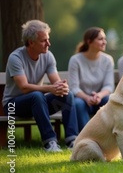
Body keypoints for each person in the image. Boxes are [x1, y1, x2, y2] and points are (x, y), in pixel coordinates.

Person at [2, 20, 78, 152]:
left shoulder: (48, 56)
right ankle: (50, 143)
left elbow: (56, 83)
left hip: (38, 104)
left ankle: (72, 140)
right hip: (13, 105)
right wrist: (50, 89)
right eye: (44, 41)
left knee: (67, 95)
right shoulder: (16, 58)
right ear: (31, 42)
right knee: (36, 96)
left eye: (48, 39)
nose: (48, 44)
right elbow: (24, 87)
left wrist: (62, 87)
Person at [68, 27, 115, 131]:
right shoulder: (75, 60)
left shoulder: (108, 60)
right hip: (82, 99)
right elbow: (74, 87)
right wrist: (87, 98)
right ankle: (87, 136)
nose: (104, 42)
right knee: (78, 103)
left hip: (100, 99)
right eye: (100, 39)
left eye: (104, 39)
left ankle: (108, 136)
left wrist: (99, 95)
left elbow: (109, 86)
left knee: (109, 100)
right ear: (89, 41)